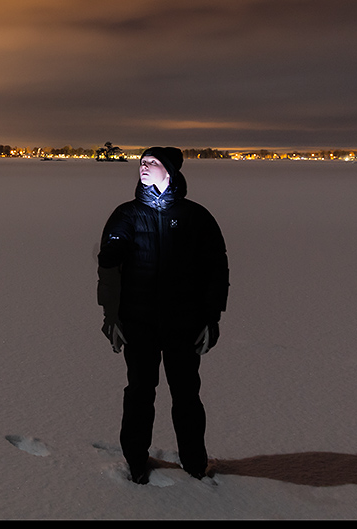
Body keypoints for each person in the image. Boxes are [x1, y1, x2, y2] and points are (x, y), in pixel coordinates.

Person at [96, 146, 229, 484]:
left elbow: (216, 270)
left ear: (170, 170)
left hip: (184, 324)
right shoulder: (126, 215)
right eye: (142, 162)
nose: (144, 166)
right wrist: (111, 317)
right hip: (138, 323)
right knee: (140, 392)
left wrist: (211, 319)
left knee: (186, 393)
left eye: (152, 162)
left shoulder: (194, 217)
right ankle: (136, 461)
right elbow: (108, 269)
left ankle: (194, 462)